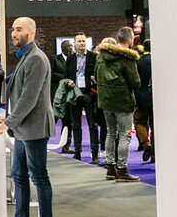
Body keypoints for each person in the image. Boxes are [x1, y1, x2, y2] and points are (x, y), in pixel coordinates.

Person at [0, 16, 56, 217]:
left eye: (18, 30)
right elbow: (19, 94)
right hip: (23, 128)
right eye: (12, 30)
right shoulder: (25, 57)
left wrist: (8, 122)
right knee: (18, 175)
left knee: (39, 177)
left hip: (35, 128)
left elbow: (29, 98)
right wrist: (9, 118)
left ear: (31, 32)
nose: (13, 34)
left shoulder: (37, 59)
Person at [96, 27, 142, 183]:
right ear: (130, 40)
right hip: (122, 101)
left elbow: (96, 76)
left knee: (110, 132)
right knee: (124, 135)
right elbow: (136, 82)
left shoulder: (101, 56)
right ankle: (122, 170)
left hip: (105, 100)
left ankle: (110, 167)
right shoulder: (127, 58)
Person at [62, 34, 103, 164]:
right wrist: (68, 83)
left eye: (83, 41)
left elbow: (97, 75)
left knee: (93, 125)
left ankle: (94, 153)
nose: (81, 43)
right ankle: (77, 152)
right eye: (79, 41)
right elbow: (66, 75)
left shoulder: (94, 57)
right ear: (75, 43)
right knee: (76, 124)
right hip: (75, 93)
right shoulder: (70, 58)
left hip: (88, 94)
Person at [135, 39, 155, 163]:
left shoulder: (138, 62)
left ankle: (146, 144)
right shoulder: (158, 61)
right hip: (155, 98)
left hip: (141, 98)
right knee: (155, 126)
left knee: (139, 121)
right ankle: (155, 154)